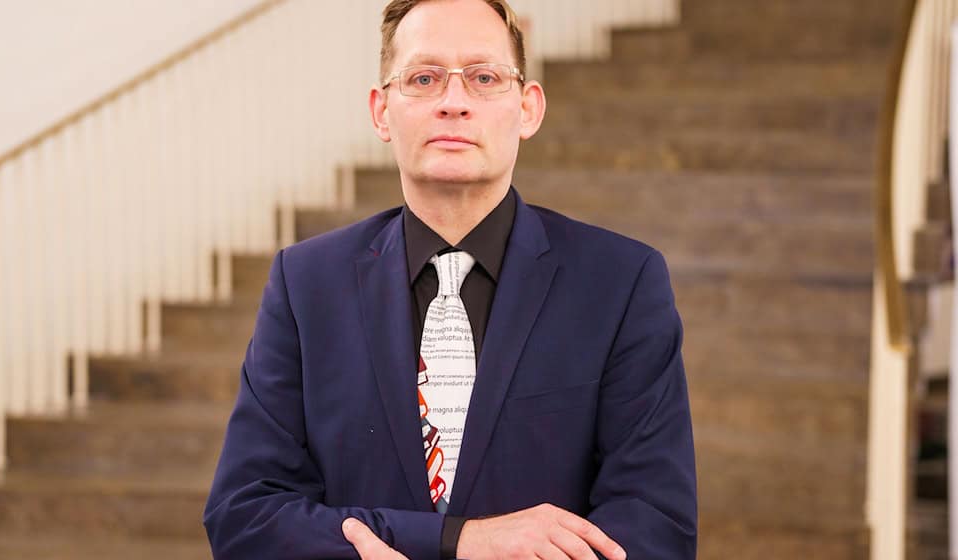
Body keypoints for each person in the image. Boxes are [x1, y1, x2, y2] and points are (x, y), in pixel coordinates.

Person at [203, 0, 697, 558]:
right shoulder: (304, 284)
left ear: (529, 108)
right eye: (424, 78)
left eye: (484, 77)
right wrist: (458, 540)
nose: (454, 102)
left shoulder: (621, 283)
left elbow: (655, 527)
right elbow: (245, 515)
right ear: (381, 111)